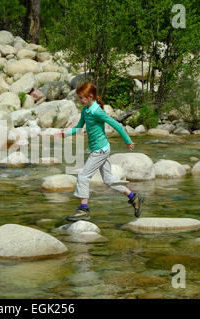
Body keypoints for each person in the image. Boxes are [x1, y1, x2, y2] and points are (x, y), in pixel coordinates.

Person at [55, 82, 144, 221]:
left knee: (83, 177)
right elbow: (79, 127)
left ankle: (83, 209)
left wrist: (128, 141)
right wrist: (65, 133)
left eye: (81, 98)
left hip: (100, 150)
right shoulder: (86, 110)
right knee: (109, 179)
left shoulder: (97, 111)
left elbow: (117, 125)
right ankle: (133, 197)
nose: (79, 101)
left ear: (90, 97)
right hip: (101, 149)